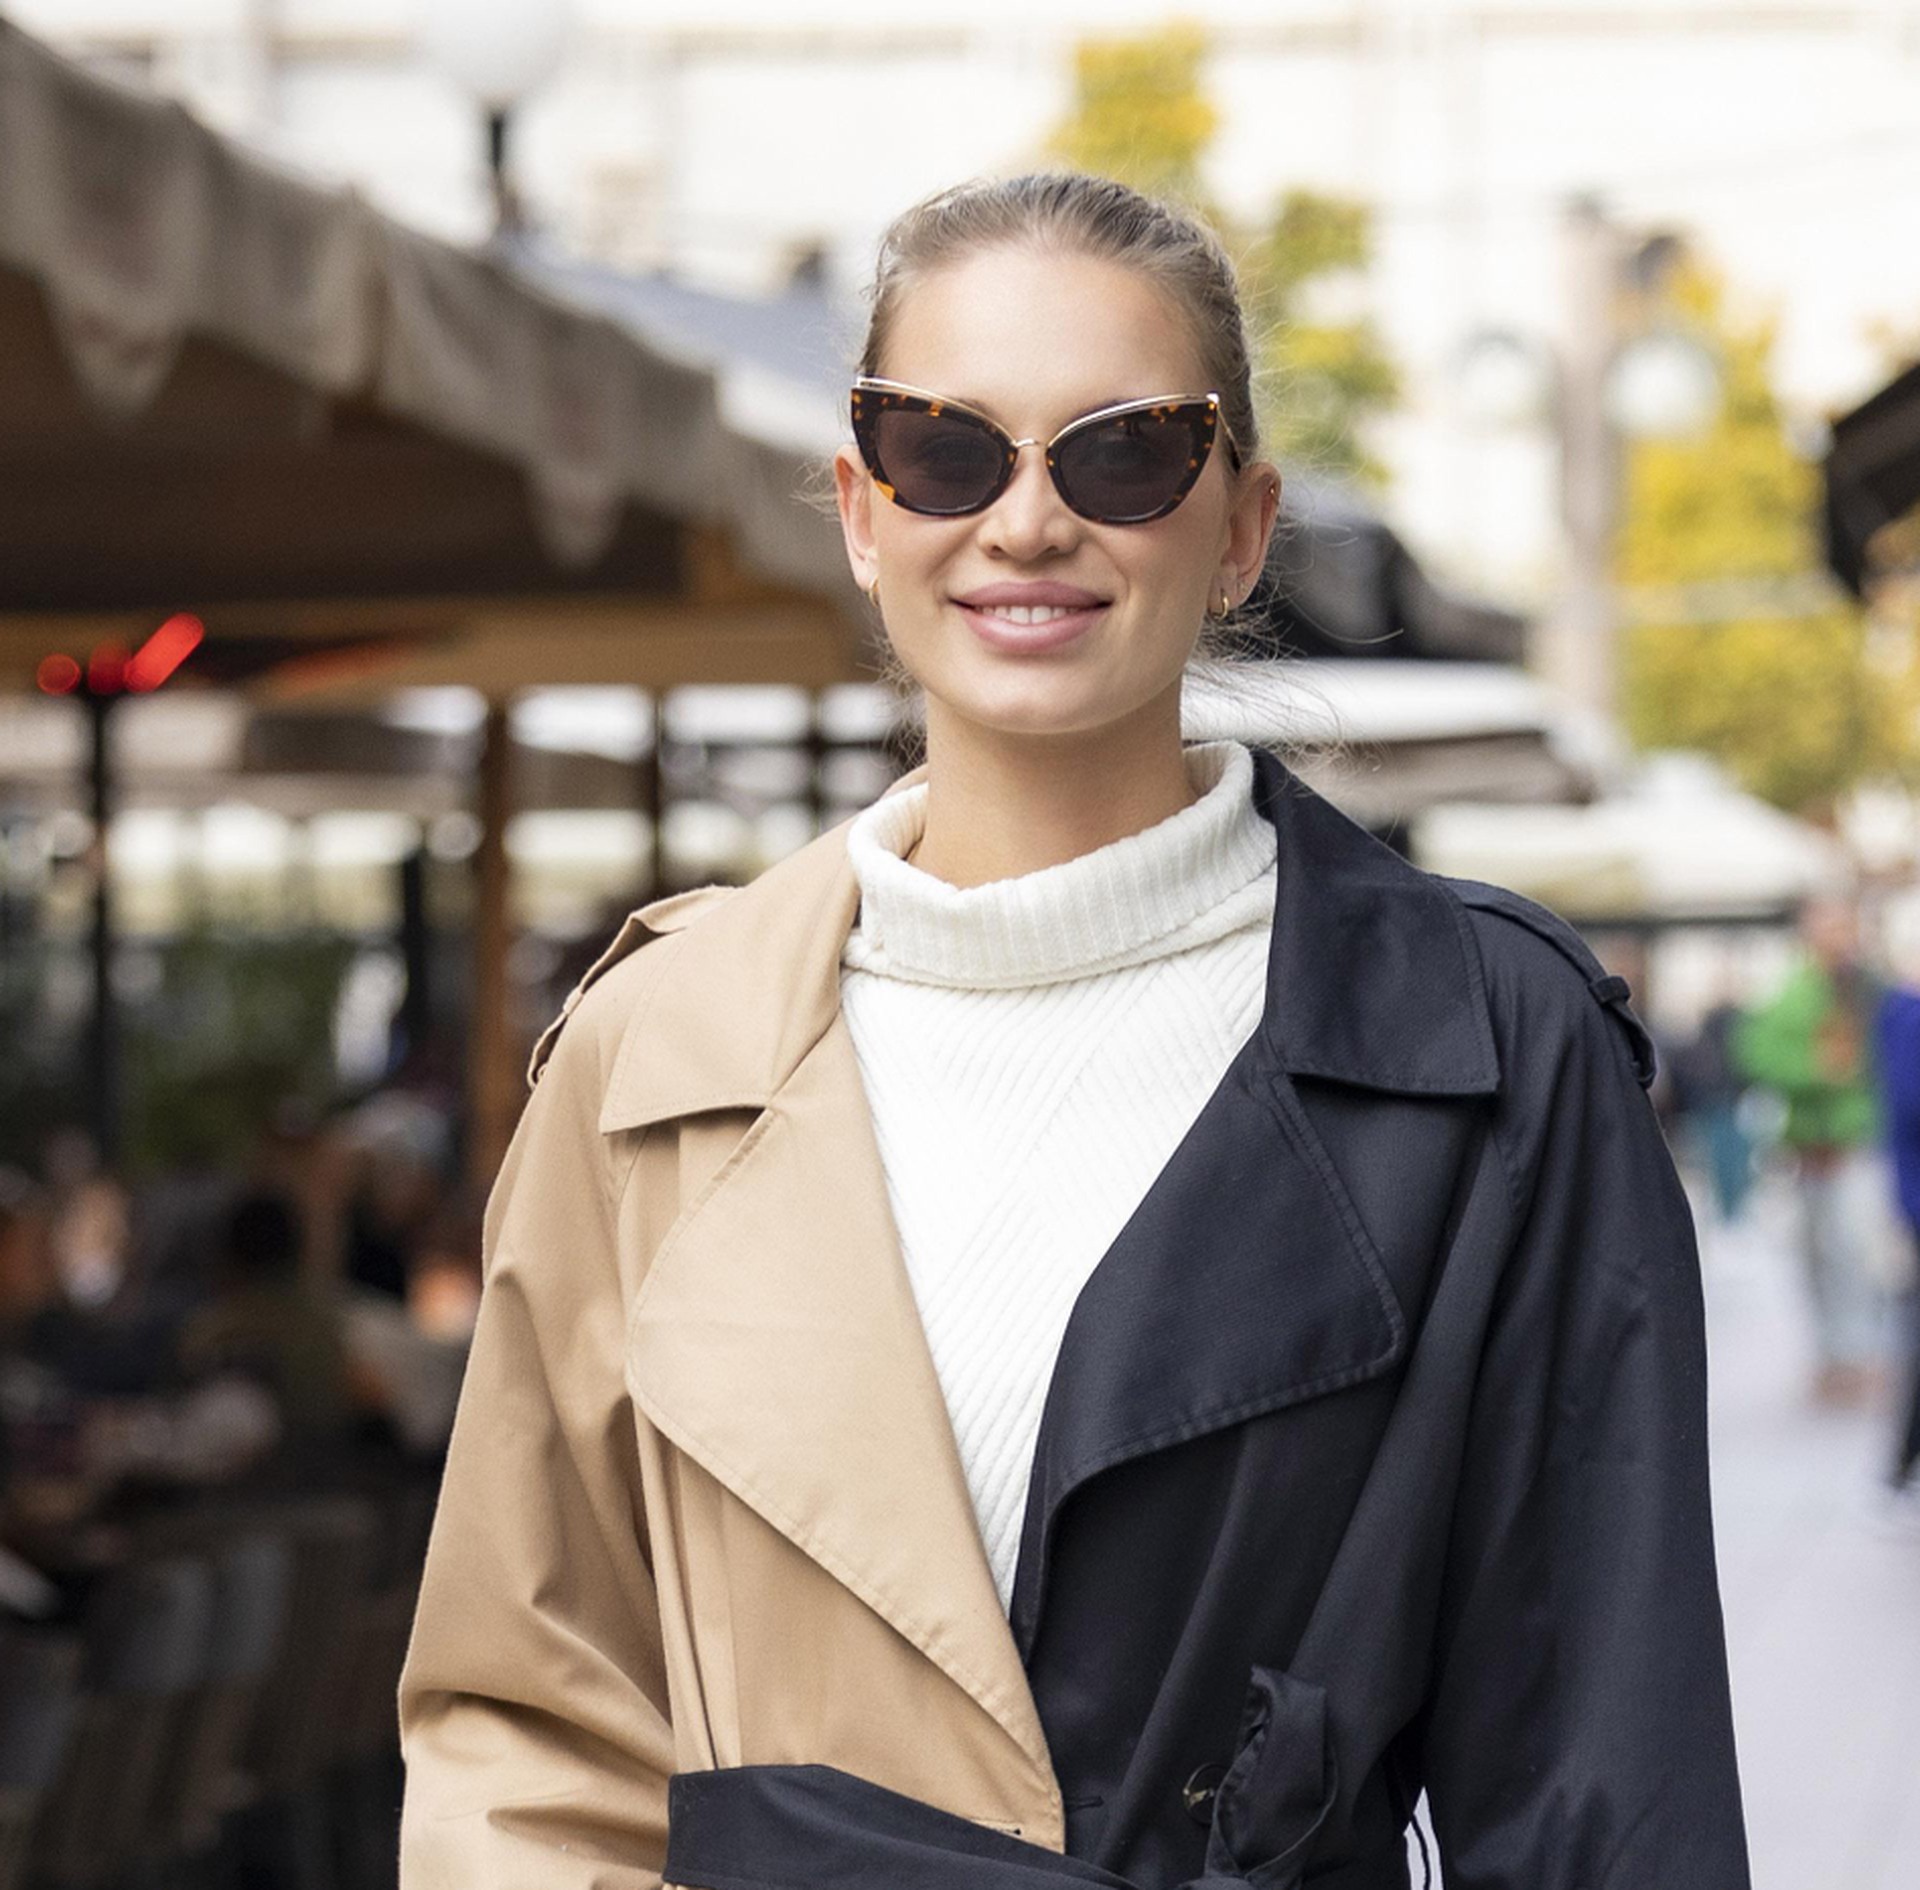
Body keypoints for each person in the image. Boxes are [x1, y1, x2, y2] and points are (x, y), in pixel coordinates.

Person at [399, 174, 1749, 1890]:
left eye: (1123, 453)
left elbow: (1599, 1787)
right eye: (945, 449)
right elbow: (529, 1729)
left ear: (1242, 524)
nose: (1025, 521)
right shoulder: (653, 1058)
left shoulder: (1488, 1050)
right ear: (862, 508)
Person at [1736, 893, 1889, 1404]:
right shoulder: (1791, 992)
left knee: (1856, 1252)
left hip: (1855, 1145)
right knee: (1814, 1257)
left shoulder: (1869, 988)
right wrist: (1816, 1071)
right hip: (1806, 1148)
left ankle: (1858, 1353)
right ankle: (1830, 1355)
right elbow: (1758, 1053)